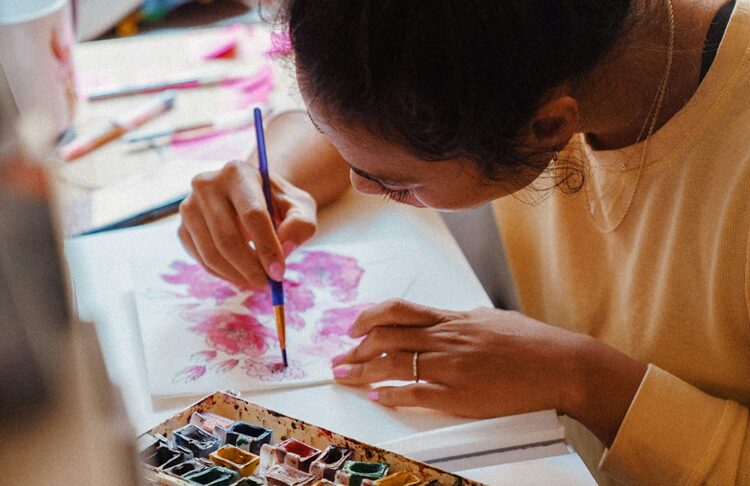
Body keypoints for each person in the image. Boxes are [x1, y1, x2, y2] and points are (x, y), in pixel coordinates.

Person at [177, 1, 750, 483]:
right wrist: (270, 179)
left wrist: (584, 379)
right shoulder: (536, 53)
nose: (358, 183)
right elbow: (373, 113)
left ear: (548, 128)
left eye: (394, 182)